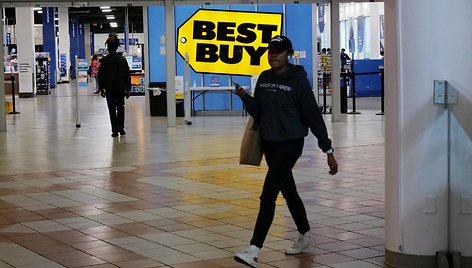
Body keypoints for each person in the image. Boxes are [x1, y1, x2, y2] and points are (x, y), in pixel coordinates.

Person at [233, 35, 338, 268]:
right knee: (288, 191)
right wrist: (245, 98)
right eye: (271, 51)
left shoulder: (298, 80)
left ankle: (254, 249)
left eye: (279, 51)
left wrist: (327, 149)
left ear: (288, 54)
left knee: (268, 194)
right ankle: (305, 235)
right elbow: (258, 111)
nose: (273, 55)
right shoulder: (265, 77)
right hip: (269, 143)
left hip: (290, 144)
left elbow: (312, 115)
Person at [98, 33, 131, 137]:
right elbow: (127, 75)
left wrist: (101, 88)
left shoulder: (104, 61)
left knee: (112, 109)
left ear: (107, 47)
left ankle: (114, 131)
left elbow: (100, 76)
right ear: (117, 47)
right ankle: (121, 128)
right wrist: (128, 89)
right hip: (120, 88)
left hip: (109, 89)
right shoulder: (122, 60)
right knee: (121, 107)